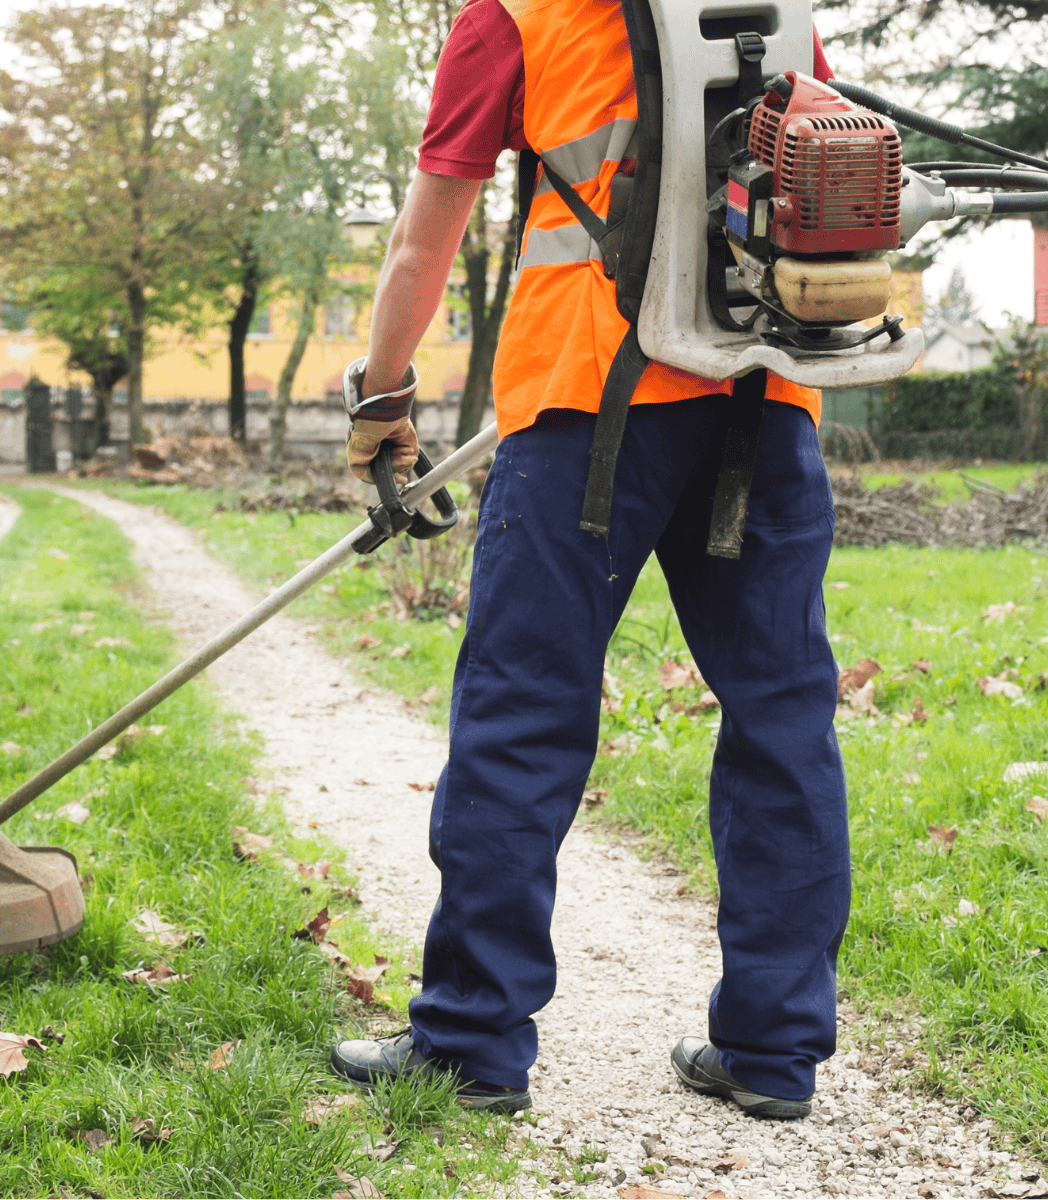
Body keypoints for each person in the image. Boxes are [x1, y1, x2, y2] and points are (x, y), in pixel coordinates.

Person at [328, 0, 847, 1120]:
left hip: (581, 409)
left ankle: (470, 1040)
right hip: (765, 401)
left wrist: (383, 391)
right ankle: (774, 1048)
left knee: (523, 712)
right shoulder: (782, 11)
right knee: (784, 718)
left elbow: (430, 233)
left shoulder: (512, 16)